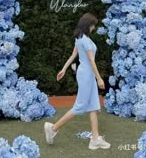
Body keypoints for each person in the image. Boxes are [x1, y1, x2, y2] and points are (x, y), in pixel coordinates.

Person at [44, 12, 111, 150]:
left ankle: (95, 139)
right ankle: (53, 128)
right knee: (79, 106)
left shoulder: (80, 38)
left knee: (93, 105)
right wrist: (99, 79)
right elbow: (91, 61)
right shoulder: (84, 40)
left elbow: (73, 55)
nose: (94, 28)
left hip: (86, 73)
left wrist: (64, 69)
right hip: (87, 74)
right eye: (93, 25)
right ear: (88, 25)